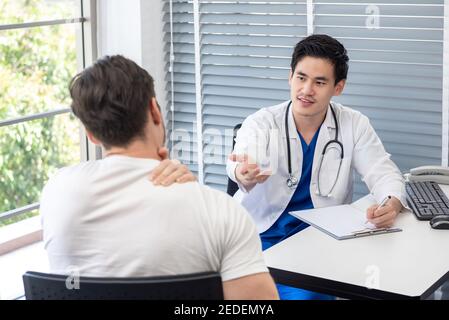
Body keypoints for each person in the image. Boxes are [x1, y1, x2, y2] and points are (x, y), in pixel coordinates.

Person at [40, 55, 278, 300]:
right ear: (155, 111)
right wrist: (195, 197)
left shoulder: (56, 191)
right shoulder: (219, 211)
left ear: (91, 134)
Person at [226, 34, 406, 300]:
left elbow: (383, 172)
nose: (306, 90)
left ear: (338, 87)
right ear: (290, 77)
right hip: (261, 237)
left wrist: (391, 203)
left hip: (319, 241)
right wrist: (244, 172)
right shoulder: (262, 122)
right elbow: (243, 156)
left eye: (319, 82)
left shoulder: (353, 124)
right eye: (301, 78)